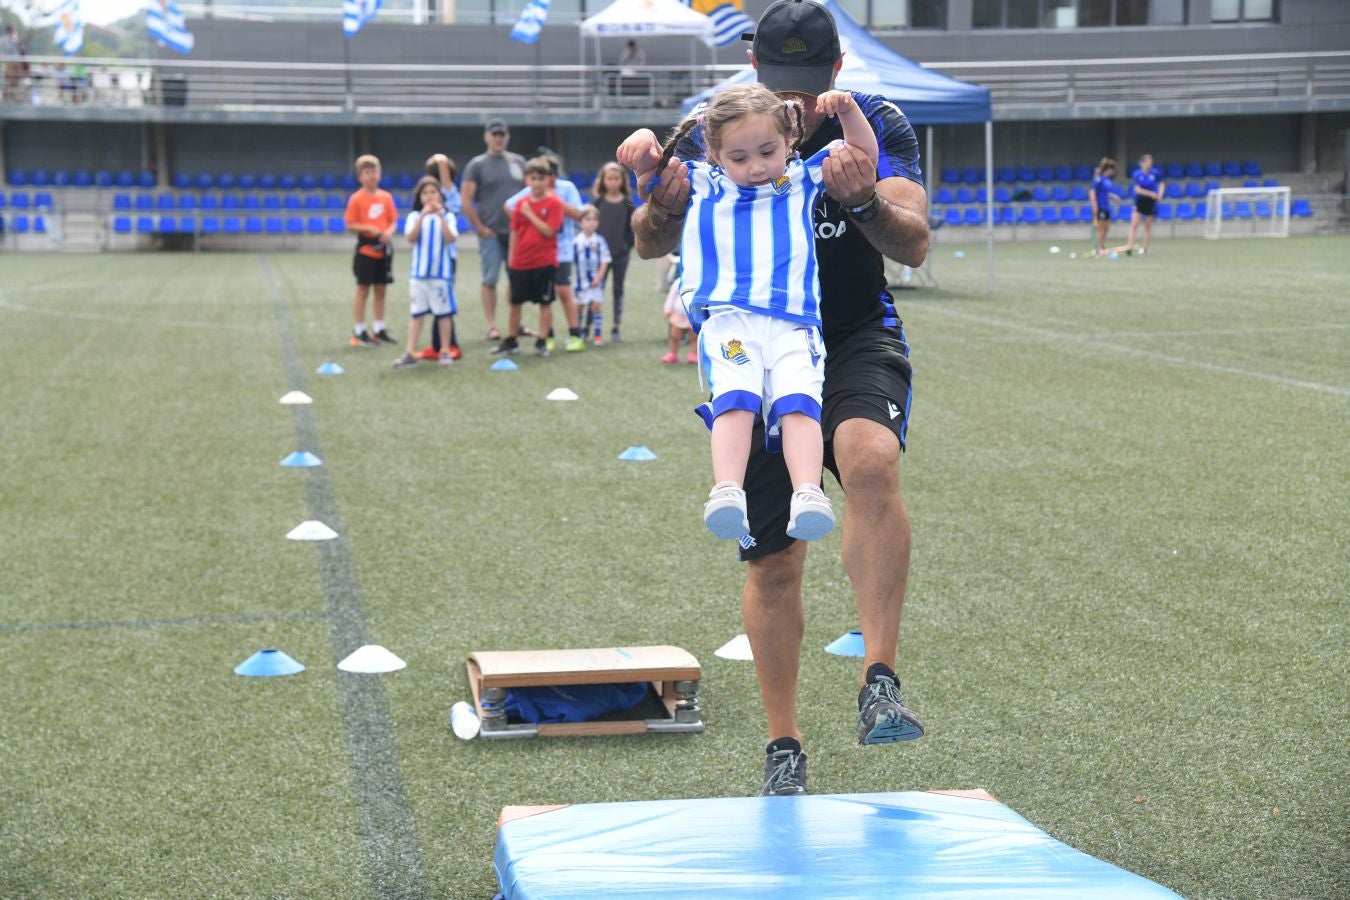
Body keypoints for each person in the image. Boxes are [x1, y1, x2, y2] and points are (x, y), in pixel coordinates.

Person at [617, 0, 931, 797]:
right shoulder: (720, 124)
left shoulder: (875, 121)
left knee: (869, 457)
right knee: (777, 559)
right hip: (759, 344)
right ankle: (784, 744)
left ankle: (879, 678)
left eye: (805, 86)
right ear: (755, 67)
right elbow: (647, 236)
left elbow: (915, 240)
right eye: (776, 82)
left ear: (832, 72)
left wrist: (863, 202)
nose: (789, 104)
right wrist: (665, 198)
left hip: (853, 331)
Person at [634, 82, 877, 550]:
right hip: (730, 319)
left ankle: (808, 494)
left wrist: (847, 112)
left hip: (794, 321)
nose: (756, 167)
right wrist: (643, 145)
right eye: (740, 156)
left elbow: (862, 155)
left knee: (799, 401)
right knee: (737, 398)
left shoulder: (798, 179)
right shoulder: (703, 181)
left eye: (767, 151)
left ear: (789, 142)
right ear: (714, 153)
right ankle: (727, 490)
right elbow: (650, 181)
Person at [505, 150, 588, 352]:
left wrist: (556, 204)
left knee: (563, 290)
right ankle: (547, 335)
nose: (545, 179)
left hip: (563, 248)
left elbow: (579, 214)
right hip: (540, 252)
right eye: (540, 175)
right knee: (543, 295)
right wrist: (527, 224)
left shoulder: (565, 189)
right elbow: (509, 206)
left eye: (549, 174)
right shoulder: (532, 190)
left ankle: (575, 333)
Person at [461, 119, 525, 341]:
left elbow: (529, 194)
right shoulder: (477, 165)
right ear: (487, 136)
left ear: (506, 137)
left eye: (502, 134)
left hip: (517, 232)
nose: (498, 138)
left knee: (516, 279)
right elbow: (466, 199)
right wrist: (478, 227)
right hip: (491, 232)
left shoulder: (519, 162)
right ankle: (492, 325)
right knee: (490, 279)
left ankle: (515, 324)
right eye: (494, 134)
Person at [497, 156, 564, 358]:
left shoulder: (554, 203)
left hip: (544, 262)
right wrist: (511, 260)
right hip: (520, 262)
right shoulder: (521, 204)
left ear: (548, 180)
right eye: (533, 178)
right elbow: (515, 232)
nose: (536, 182)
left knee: (545, 302)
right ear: (527, 180)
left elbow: (549, 231)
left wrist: (530, 214)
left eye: (541, 178)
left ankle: (542, 340)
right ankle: (512, 340)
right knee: (515, 302)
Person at [392, 177, 458, 369]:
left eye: (433, 192)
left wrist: (439, 216)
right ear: (419, 197)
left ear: (440, 195)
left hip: (441, 275)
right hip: (419, 275)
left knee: (443, 314)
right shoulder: (414, 216)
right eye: (425, 193)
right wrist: (423, 216)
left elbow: (450, 238)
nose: (430, 197)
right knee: (417, 314)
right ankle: (410, 352)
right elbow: (410, 237)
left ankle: (445, 351)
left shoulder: (448, 216)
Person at [344, 154, 399, 346]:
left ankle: (378, 328)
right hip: (366, 250)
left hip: (384, 250)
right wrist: (369, 229)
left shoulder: (386, 197)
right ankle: (359, 329)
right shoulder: (357, 199)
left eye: (374, 171)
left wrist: (388, 233)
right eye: (367, 172)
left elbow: (393, 221)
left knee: (381, 290)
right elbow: (350, 224)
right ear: (360, 176)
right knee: (363, 289)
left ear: (380, 174)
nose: (371, 176)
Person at [421, 153, 464, 360]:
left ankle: (451, 345)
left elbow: (445, 183)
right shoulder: (427, 198)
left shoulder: (450, 193)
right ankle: (437, 345)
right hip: (429, 260)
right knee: (433, 303)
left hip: (446, 260)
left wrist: (440, 161)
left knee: (444, 302)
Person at [592, 161, 635, 343]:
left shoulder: (627, 204)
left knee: (618, 290)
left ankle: (616, 325)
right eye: (609, 178)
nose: (613, 182)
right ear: (603, 180)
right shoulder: (598, 203)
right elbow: (590, 228)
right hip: (599, 258)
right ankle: (590, 324)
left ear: (622, 180)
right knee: (595, 291)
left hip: (620, 256)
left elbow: (632, 230)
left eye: (616, 178)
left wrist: (625, 247)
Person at [571, 205, 612, 345]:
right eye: (588, 219)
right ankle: (578, 334)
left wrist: (599, 277)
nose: (592, 222)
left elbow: (605, 261)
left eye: (595, 219)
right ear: (580, 222)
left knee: (596, 307)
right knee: (578, 308)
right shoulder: (575, 241)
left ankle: (598, 336)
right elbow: (571, 261)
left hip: (595, 282)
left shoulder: (600, 241)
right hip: (580, 282)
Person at [661, 250, 697, 365]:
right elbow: (671, 296)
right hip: (678, 313)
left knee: (694, 337)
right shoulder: (678, 282)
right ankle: (672, 353)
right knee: (674, 335)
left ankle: (693, 355)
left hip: (693, 314)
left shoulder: (699, 283)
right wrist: (668, 309)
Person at [1127, 153, 1163, 255]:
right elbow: (1137, 189)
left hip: (1150, 202)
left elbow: (1161, 183)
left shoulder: (1155, 173)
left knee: (1147, 226)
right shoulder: (1137, 174)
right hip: (1139, 201)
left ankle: (1145, 248)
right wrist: (1150, 193)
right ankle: (1130, 246)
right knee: (1134, 224)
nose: (1149, 164)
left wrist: (1160, 194)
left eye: (1150, 161)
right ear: (1142, 163)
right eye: (1147, 161)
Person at [1090, 156, 1118, 257]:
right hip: (1100, 206)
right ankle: (1098, 248)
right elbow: (1092, 191)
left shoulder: (1107, 180)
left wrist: (1114, 197)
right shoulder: (1099, 179)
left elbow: (1106, 193)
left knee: (1107, 227)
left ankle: (1101, 245)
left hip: (1106, 206)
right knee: (1100, 228)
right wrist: (1094, 205)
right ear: (1108, 169)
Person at [2, 26, 24, 104]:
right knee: (9, 80)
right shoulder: (5, 39)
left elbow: (22, 49)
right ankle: (6, 97)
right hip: (10, 62)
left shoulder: (17, 38)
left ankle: (17, 97)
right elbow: (6, 49)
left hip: (18, 62)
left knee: (18, 80)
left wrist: (19, 43)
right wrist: (12, 41)